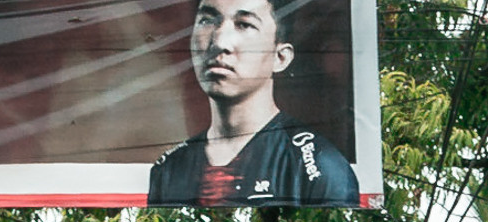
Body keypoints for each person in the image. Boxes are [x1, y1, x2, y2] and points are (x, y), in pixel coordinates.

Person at [147, 0, 359, 207]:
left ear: (281, 57)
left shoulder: (318, 167)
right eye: (207, 20)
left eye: (244, 24)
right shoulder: (169, 169)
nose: (220, 43)